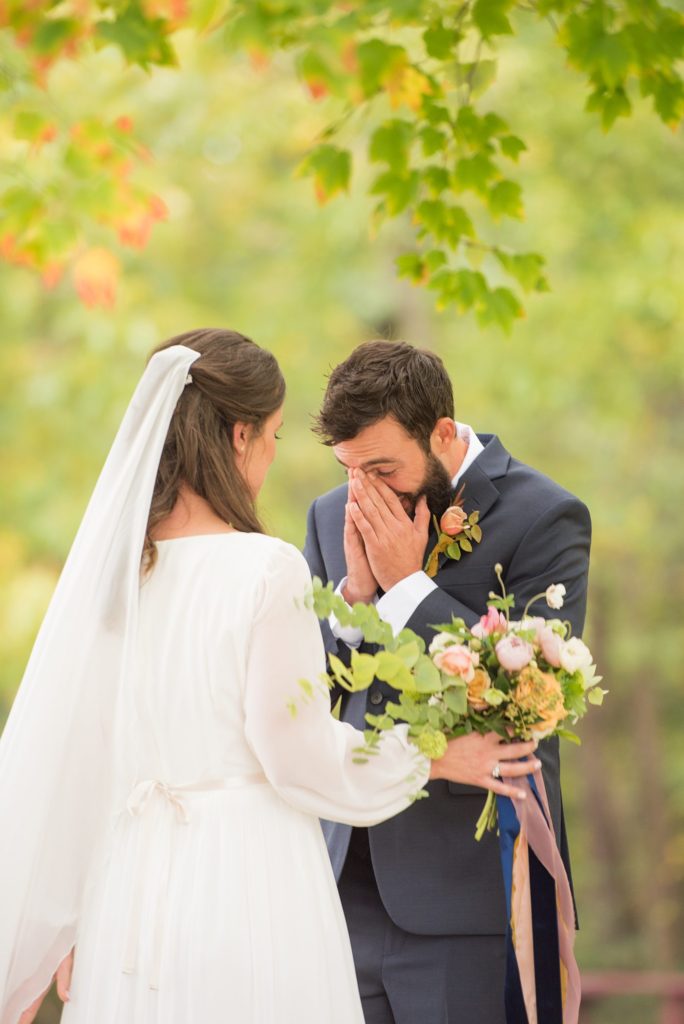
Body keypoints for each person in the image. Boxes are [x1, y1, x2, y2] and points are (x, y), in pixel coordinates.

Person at [0, 329, 538, 1024]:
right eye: (277, 435)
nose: (275, 455)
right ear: (238, 436)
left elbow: (76, 761)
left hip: (130, 886)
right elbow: (299, 757)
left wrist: (66, 915)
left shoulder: (115, 579)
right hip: (243, 878)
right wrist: (432, 757)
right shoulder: (264, 567)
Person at [304, 339, 592, 1024]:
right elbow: (303, 690)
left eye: (382, 467)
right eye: (351, 471)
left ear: (439, 432)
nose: (365, 490)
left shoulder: (545, 517)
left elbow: (529, 700)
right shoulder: (327, 515)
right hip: (339, 879)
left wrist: (407, 586)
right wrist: (356, 600)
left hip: (466, 895)